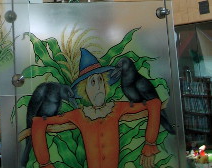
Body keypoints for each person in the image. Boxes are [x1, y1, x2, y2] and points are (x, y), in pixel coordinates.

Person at [31, 49, 161, 168]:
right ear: (84, 90)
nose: (99, 87)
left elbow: (154, 104)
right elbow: (39, 122)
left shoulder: (116, 108)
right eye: (92, 82)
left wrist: (149, 143)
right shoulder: (79, 115)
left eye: (101, 80)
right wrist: (45, 163)